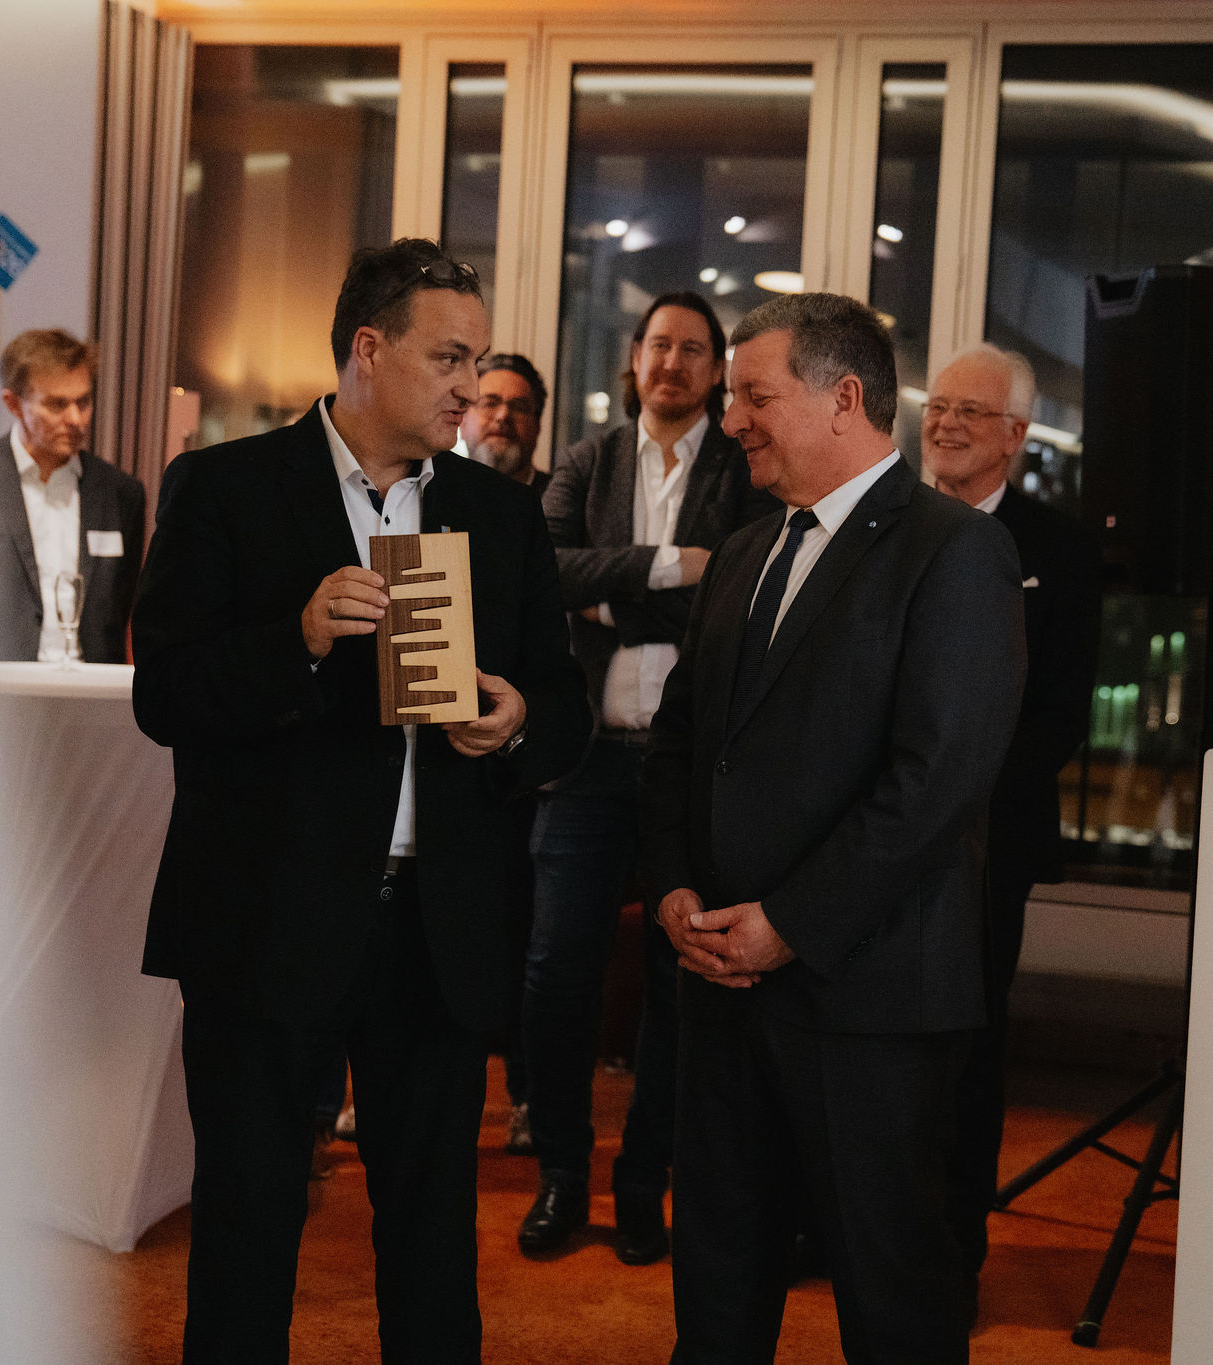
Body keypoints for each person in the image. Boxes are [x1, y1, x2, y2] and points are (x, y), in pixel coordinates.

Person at [130, 238, 589, 1363]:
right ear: (367, 350)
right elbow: (164, 695)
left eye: (476, 360)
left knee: (432, 1246)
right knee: (246, 1233)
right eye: (448, 357)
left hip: (439, 930)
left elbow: (565, 711)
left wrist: (514, 720)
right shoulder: (226, 488)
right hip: (266, 920)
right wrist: (292, 639)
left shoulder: (499, 514)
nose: (470, 387)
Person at [641, 292, 1026, 1363]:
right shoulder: (742, 551)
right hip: (720, 986)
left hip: (870, 1003)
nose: (730, 420)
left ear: (843, 398)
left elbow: (937, 780)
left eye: (754, 397)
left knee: (890, 1300)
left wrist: (789, 925)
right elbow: (679, 747)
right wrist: (674, 890)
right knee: (716, 1286)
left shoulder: (955, 552)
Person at [520, 292, 775, 1265]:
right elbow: (543, 572)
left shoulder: (742, 470)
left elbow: (744, 590)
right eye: (658, 345)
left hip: (688, 769)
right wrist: (670, 568)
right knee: (555, 971)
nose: (672, 362)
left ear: (716, 369)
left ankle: (641, 1183)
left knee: (679, 984)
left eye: (692, 349)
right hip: (585, 759)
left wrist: (609, 594)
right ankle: (560, 1171)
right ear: (634, 358)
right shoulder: (587, 461)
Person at [921, 344, 1102, 1310]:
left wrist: (953, 799)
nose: (945, 423)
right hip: (867, 839)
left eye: (970, 412)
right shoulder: (883, 523)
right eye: (938, 406)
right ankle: (839, 1231)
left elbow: (1060, 716)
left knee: (967, 1048)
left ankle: (953, 1254)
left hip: (987, 847)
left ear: (1017, 435)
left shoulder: (1061, 552)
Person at [457, 347, 554, 1154]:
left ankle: (525, 1094)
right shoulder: (432, 500)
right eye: (489, 401)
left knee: (527, 936)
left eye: (519, 406)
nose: (501, 416)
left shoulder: (550, 505)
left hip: (527, 761)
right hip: (434, 756)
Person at [0, 329, 144, 663]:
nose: (75, 419)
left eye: (83, 402)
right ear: (13, 404)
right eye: (56, 404)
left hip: (90, 687)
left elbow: (122, 611)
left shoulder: (121, 493)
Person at [461, 352, 551, 497]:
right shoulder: (436, 495)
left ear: (537, 425)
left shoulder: (562, 500)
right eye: (489, 404)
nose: (503, 416)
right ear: (462, 421)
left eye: (518, 407)